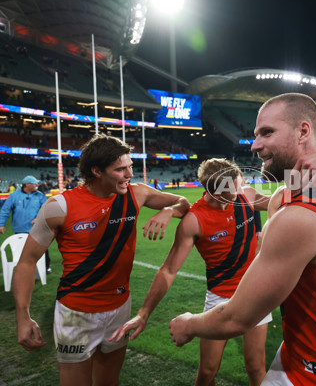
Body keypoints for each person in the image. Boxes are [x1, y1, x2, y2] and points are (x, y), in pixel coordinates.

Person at [168, 93, 316, 385]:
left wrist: (189, 324)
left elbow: (237, 318)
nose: (255, 144)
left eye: (267, 133)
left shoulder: (298, 216)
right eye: (255, 134)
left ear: (303, 131)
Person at [12, 134, 191, 386]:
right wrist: (23, 317)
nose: (130, 174)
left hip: (120, 308)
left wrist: (168, 210)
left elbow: (184, 203)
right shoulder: (59, 207)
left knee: (109, 382)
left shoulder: (137, 194)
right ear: (96, 171)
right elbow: (27, 262)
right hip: (75, 313)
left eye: (130, 167)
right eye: (120, 169)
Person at [109, 158, 271, 386]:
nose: (237, 195)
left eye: (239, 186)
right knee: (207, 371)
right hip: (220, 299)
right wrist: (143, 313)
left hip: (254, 294)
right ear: (211, 191)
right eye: (229, 192)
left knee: (256, 367)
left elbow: (280, 203)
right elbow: (169, 270)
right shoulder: (194, 220)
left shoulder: (247, 195)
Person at [0, 175, 51, 272]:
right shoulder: (14, 196)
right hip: (20, 229)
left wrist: (39, 218)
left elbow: (47, 209)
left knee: (42, 249)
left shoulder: (40, 195)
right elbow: (5, 210)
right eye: (34, 183)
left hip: (37, 228)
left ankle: (46, 267)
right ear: (27, 184)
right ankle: (24, 268)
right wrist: (1, 224)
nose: (37, 184)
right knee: (22, 251)